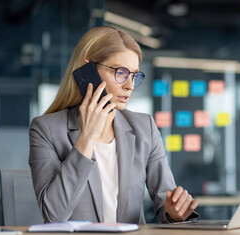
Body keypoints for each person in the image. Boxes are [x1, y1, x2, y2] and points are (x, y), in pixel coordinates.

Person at [28, 26, 199, 224]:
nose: (130, 85)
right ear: (88, 70)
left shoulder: (145, 128)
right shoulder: (45, 130)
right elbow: (54, 215)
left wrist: (174, 213)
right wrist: (87, 138)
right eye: (121, 72)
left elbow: (166, 205)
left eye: (134, 75)